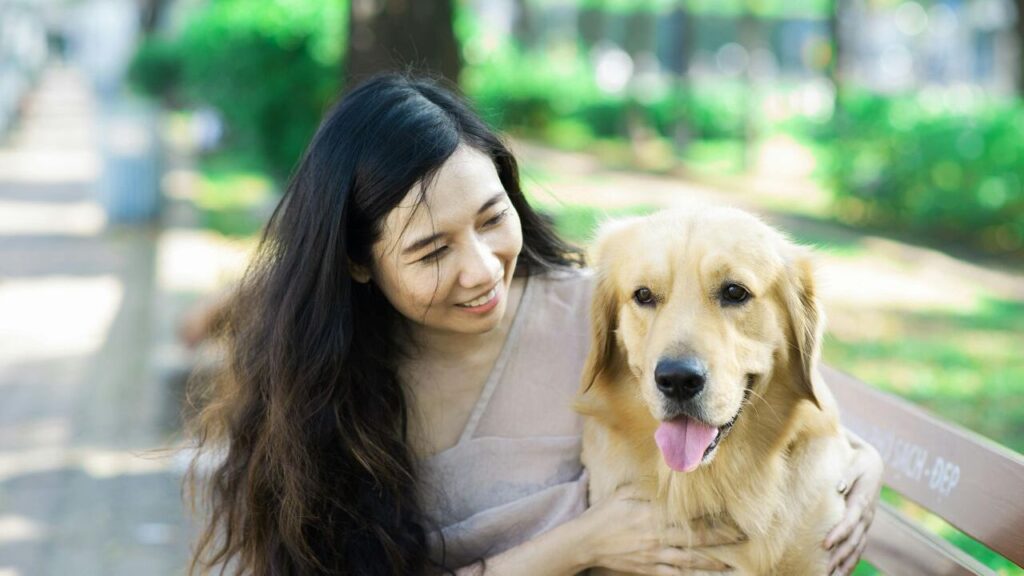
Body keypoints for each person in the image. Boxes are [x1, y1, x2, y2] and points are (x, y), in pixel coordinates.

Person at [185, 74, 882, 576]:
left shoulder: (604, 313)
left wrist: (862, 462)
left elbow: (757, 396)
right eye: (432, 251)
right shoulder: (322, 395)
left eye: (493, 218)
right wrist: (579, 544)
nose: (483, 268)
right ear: (358, 263)